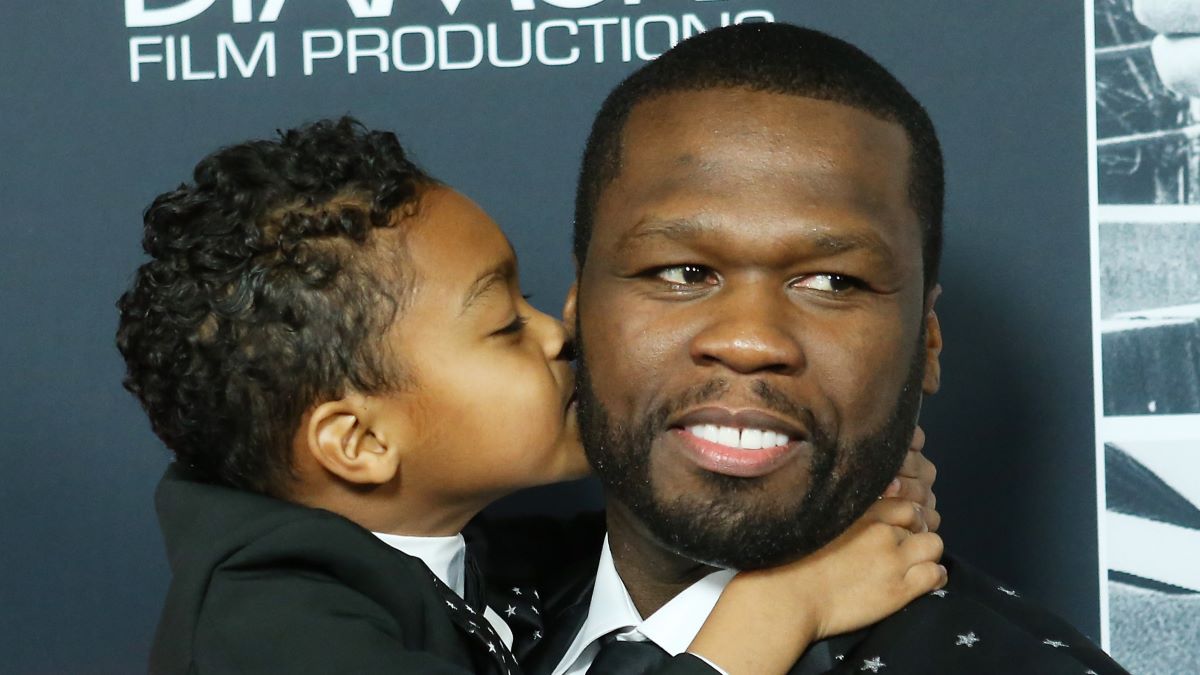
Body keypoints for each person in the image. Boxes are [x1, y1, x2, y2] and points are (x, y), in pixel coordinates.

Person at [117, 117, 946, 674]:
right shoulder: (270, 628)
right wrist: (779, 608)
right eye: (504, 325)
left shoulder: (441, 546)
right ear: (361, 442)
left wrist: (830, 482)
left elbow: (598, 547)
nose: (556, 333)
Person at [527, 22, 1131, 675]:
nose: (750, 340)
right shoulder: (458, 615)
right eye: (682, 272)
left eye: (833, 282)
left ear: (927, 341)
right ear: (578, 303)